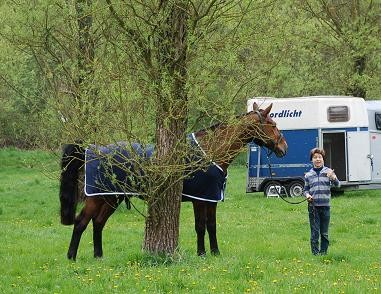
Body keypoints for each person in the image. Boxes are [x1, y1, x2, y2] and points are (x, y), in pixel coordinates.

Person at [304, 148, 340, 255]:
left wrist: (333, 178)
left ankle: (323, 254)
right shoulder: (308, 175)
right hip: (313, 207)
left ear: (323, 159)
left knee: (324, 233)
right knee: (314, 233)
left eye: (320, 157)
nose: (317, 159)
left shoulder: (329, 171)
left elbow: (338, 185)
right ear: (312, 160)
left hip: (325, 207)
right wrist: (307, 195)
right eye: (315, 157)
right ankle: (315, 254)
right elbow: (305, 190)